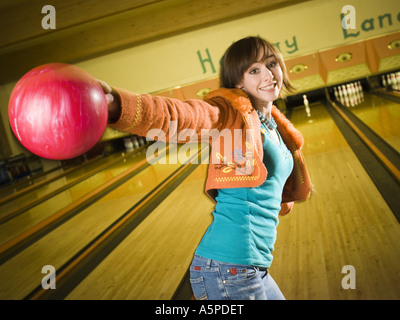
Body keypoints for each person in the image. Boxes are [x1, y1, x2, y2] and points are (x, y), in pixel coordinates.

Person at [99, 36, 312, 300]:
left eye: (271, 64)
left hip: (251, 268)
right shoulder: (228, 113)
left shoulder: (274, 125)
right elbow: (177, 115)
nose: (268, 75)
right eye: (254, 70)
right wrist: (117, 105)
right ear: (237, 82)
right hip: (229, 270)